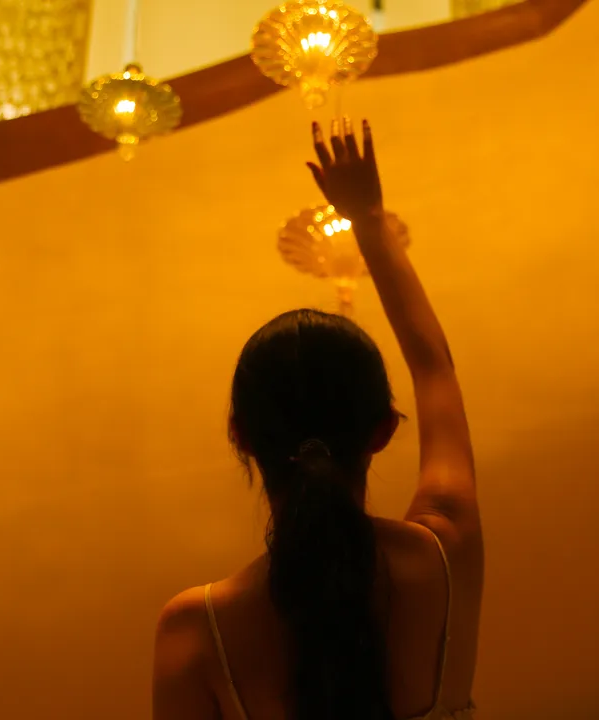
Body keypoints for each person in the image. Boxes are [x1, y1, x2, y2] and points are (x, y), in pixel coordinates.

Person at [152, 118, 483, 720]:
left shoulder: (197, 631)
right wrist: (368, 220)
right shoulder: (443, 556)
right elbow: (434, 367)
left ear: (239, 435)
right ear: (384, 429)